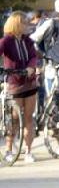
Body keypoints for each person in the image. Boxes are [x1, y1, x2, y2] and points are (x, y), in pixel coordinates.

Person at [0, 11, 39, 162]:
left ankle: (28, 151)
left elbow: (34, 56)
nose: (27, 25)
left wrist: (31, 67)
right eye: (24, 22)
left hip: (29, 83)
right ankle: (9, 150)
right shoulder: (6, 41)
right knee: (14, 118)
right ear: (16, 24)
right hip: (14, 83)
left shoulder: (28, 41)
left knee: (29, 118)